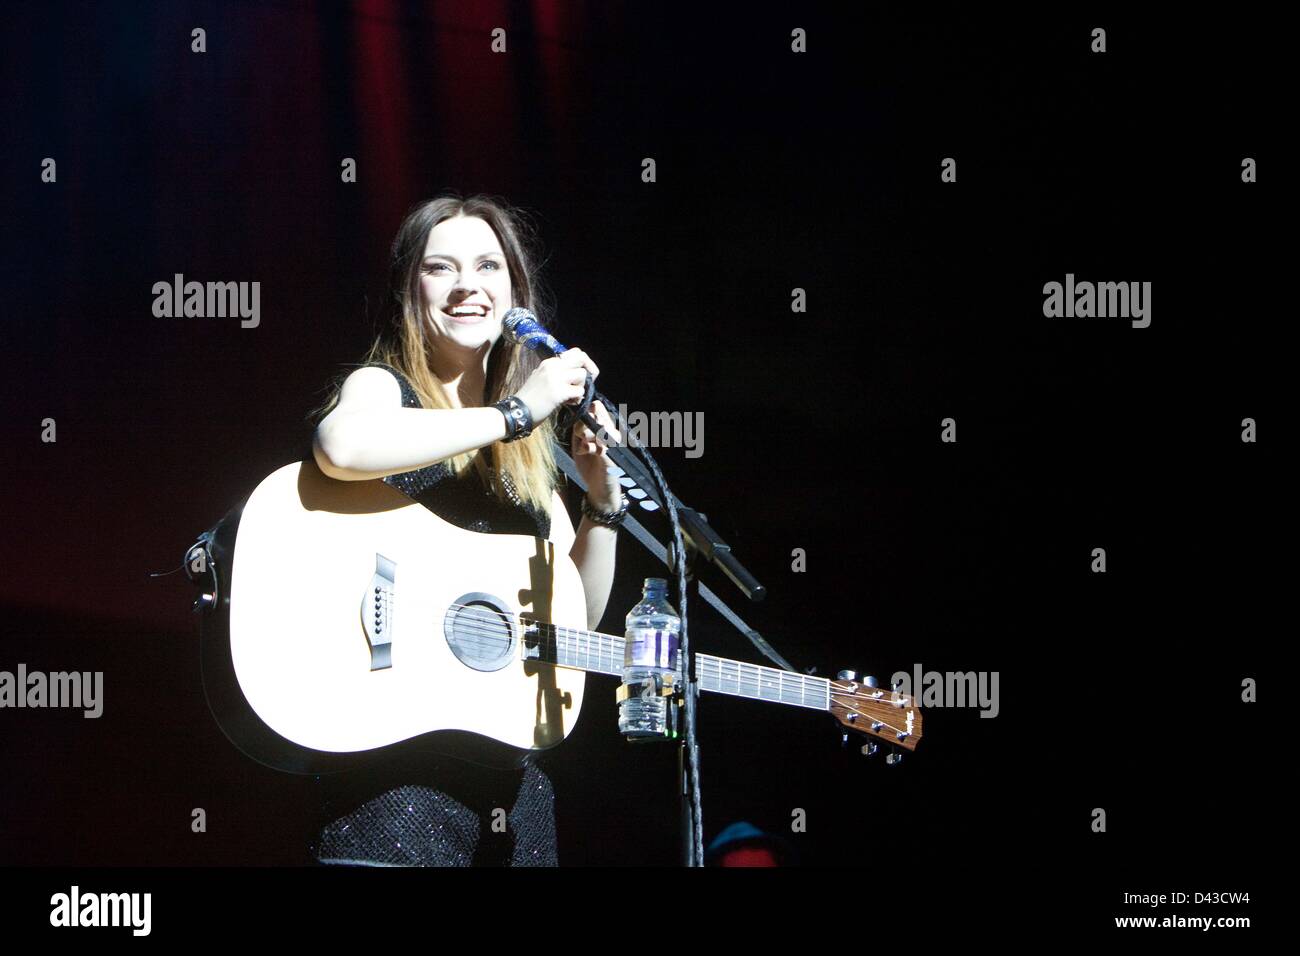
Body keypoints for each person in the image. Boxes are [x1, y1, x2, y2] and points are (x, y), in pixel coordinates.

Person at [305, 193, 625, 866]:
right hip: (393, 786)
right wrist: (515, 411)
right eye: (440, 268)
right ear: (408, 289)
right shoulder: (385, 389)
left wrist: (602, 507)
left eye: (487, 266)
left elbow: (575, 622)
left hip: (512, 796)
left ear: (514, 292)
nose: (466, 286)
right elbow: (340, 445)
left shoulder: (531, 450)